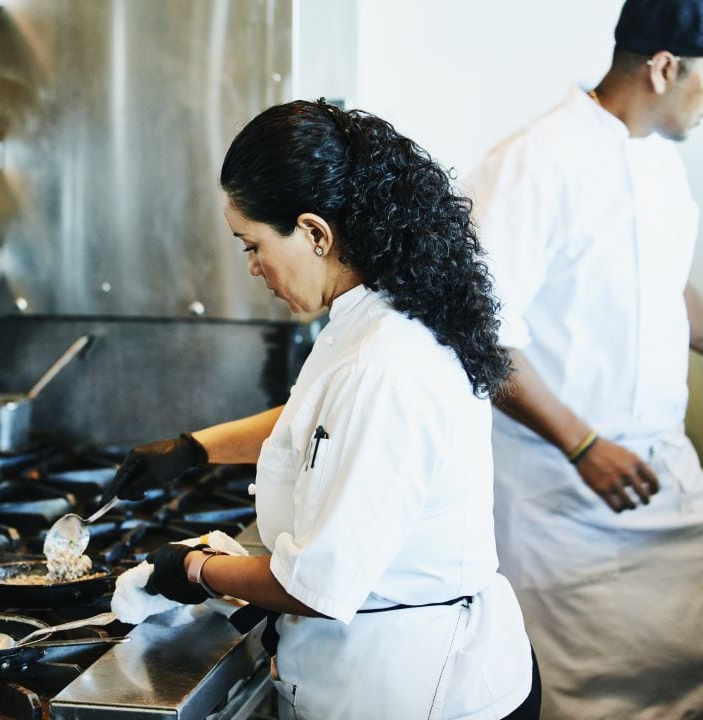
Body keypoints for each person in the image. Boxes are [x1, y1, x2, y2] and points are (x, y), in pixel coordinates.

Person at [101, 100, 539, 720]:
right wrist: (193, 448)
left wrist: (196, 568)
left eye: (252, 244)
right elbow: (317, 419)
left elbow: (315, 586)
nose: (252, 266)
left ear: (314, 233)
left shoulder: (385, 363)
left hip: (422, 692)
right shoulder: (379, 315)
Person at [463, 1, 703, 717]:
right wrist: (583, 444)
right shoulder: (530, 163)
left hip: (660, 473)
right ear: (664, 68)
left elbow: (667, 289)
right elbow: (482, 336)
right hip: (560, 495)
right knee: (588, 699)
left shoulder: (663, 157)